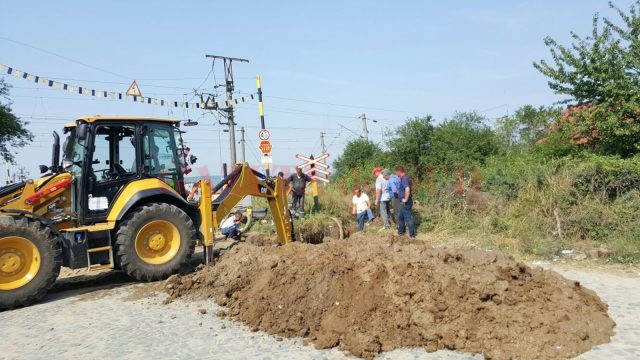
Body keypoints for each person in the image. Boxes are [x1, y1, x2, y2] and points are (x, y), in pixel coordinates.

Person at [395, 166, 416, 238]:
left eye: (396, 172)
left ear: (399, 171)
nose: (396, 173)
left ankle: (412, 235)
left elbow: (407, 189)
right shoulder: (406, 178)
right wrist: (400, 192)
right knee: (400, 217)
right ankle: (401, 232)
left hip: (405, 202)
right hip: (403, 201)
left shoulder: (404, 179)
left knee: (408, 218)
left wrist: (406, 199)